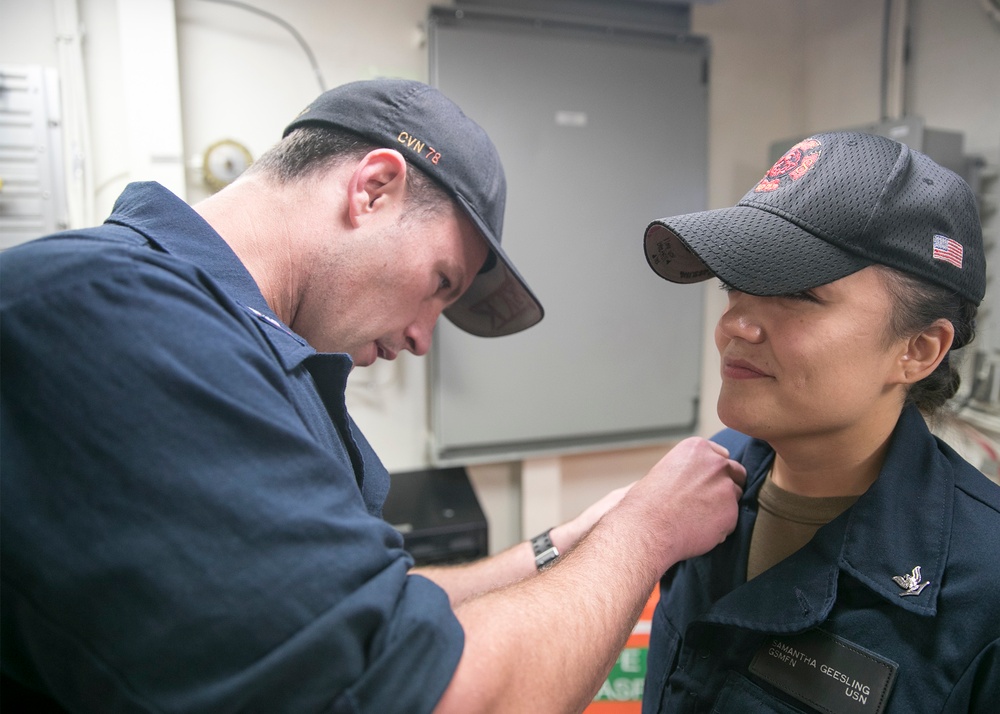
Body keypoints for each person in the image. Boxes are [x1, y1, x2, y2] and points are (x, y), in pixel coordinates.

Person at [1, 78, 746, 713]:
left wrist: (560, 548)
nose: (424, 339)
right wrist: (644, 535)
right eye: (440, 285)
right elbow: (418, 690)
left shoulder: (237, 347)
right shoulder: (115, 314)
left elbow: (361, 612)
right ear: (374, 188)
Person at [640, 131, 1000, 712]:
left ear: (919, 349)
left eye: (798, 294)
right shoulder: (710, 474)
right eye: (739, 284)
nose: (735, 326)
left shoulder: (985, 587)